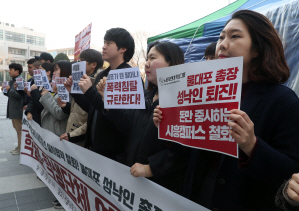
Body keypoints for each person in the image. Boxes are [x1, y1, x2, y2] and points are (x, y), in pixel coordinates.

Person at [153, 10, 299, 210]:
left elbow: (290, 172)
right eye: (221, 37)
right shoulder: (203, 93)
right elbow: (190, 151)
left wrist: (252, 146)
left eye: (235, 36)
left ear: (257, 48)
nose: (222, 44)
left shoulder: (283, 101)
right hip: (197, 193)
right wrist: (170, 126)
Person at [96, 41, 190, 194]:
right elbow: (127, 125)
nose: (146, 64)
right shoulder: (146, 96)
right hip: (133, 176)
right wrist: (107, 101)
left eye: (152, 58)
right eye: (147, 59)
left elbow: (185, 151)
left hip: (161, 186)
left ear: (171, 62)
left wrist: (151, 168)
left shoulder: (183, 100)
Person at [64, 28, 135, 161]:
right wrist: (74, 92)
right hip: (94, 147)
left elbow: (123, 119)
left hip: (114, 153)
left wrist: (90, 92)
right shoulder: (101, 75)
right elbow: (93, 109)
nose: (103, 47)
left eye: (109, 43)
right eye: (104, 42)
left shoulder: (129, 76)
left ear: (123, 48)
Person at [58, 49, 103, 146]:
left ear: (93, 65)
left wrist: (73, 135)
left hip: (82, 138)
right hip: (72, 132)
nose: (78, 63)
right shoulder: (78, 81)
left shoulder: (99, 85)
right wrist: (66, 106)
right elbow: (78, 110)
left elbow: (92, 114)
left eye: (81, 60)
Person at [2, 63, 25, 155]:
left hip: (17, 109)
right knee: (17, 129)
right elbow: (12, 94)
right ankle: (19, 146)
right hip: (13, 109)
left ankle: (20, 148)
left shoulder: (20, 80)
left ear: (17, 71)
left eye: (11, 69)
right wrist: (5, 91)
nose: (9, 71)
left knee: (19, 130)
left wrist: (9, 90)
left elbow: (20, 96)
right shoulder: (13, 80)